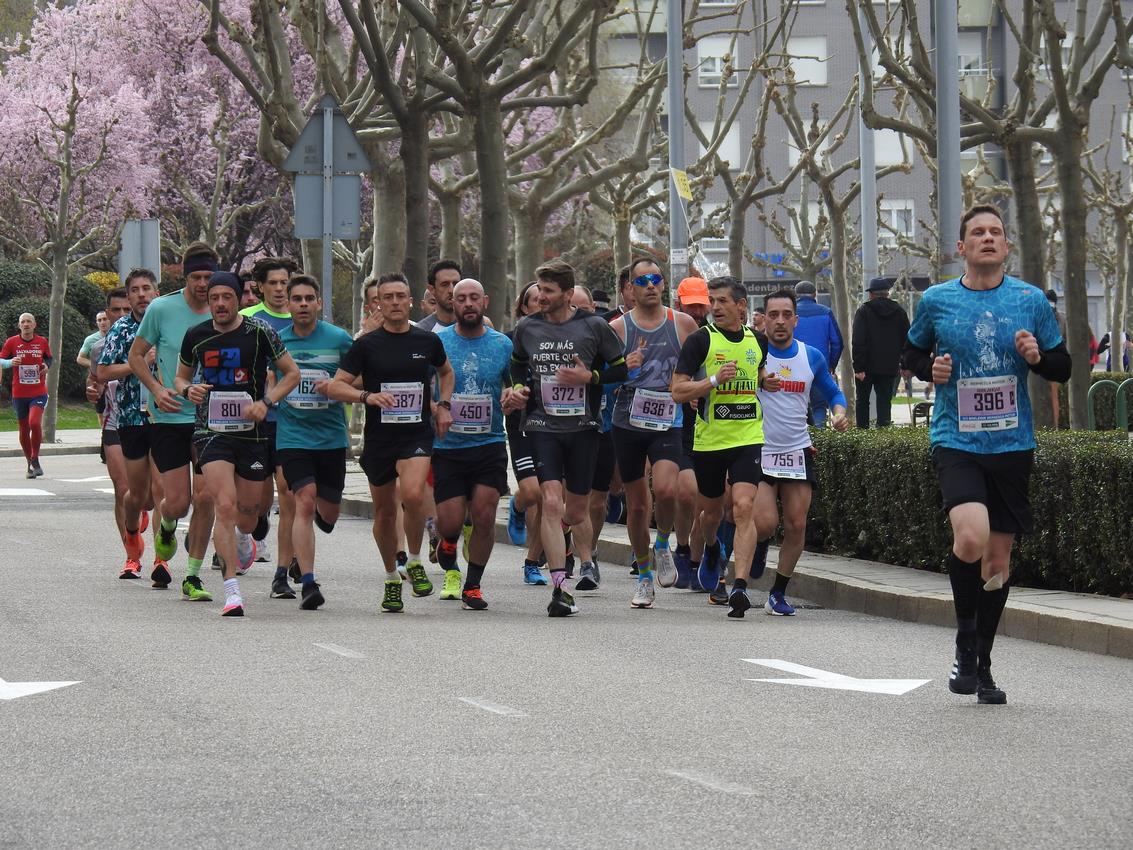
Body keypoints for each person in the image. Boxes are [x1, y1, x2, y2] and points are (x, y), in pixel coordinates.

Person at [902, 204, 1071, 705]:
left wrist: (1037, 358)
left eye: (997, 231)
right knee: (971, 538)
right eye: (978, 232)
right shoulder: (936, 300)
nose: (988, 238)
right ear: (962, 247)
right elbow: (910, 354)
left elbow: (1061, 366)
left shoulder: (1031, 300)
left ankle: (983, 661)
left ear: (1007, 245)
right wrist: (927, 367)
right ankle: (963, 638)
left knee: (997, 562)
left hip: (1013, 444)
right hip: (957, 439)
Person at [326, 275, 454, 613]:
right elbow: (336, 387)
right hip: (380, 438)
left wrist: (443, 406)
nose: (395, 302)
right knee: (383, 513)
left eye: (401, 296)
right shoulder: (367, 345)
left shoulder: (426, 341)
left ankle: (413, 559)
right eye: (388, 297)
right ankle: (391, 578)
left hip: (415, 433)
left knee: (413, 494)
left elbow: (446, 372)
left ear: (410, 301)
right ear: (376, 305)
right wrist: (367, 396)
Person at [175, 272, 300, 617]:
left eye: (226, 297)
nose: (219, 304)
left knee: (248, 513)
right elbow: (180, 376)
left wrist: (267, 401)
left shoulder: (259, 332)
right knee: (224, 506)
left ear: (237, 299)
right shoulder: (196, 336)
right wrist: (188, 390)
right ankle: (232, 590)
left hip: (252, 434)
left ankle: (247, 535)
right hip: (211, 430)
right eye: (213, 297)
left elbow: (292, 373)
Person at [510, 258, 627, 617]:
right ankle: (560, 588)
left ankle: (583, 560)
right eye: (539, 289)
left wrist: (589, 379)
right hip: (543, 427)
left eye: (547, 290)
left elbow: (620, 369)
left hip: (583, 429)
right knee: (549, 501)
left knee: (576, 510)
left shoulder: (593, 326)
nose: (541, 296)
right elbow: (517, 364)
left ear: (565, 293)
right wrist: (517, 388)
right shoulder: (527, 327)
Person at [671, 276, 774, 611]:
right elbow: (678, 390)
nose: (715, 307)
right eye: (712, 300)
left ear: (741, 305)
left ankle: (739, 586)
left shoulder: (758, 341)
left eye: (722, 301)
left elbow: (754, 373)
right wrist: (713, 381)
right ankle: (712, 547)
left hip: (748, 436)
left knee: (744, 507)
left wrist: (764, 382)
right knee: (711, 513)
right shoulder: (701, 341)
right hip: (710, 441)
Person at [129, 242, 222, 603]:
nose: (203, 284)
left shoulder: (226, 312)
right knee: (178, 502)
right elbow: (136, 356)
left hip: (210, 421)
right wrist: (156, 388)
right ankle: (167, 525)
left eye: (208, 277)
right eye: (196, 277)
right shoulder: (161, 308)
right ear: (185, 277)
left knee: (206, 496)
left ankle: (194, 576)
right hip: (168, 416)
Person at [751, 289, 849, 617]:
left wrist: (838, 413)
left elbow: (833, 392)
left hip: (797, 449)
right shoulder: (753, 353)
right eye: (773, 315)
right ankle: (759, 543)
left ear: (795, 319)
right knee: (765, 523)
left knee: (796, 525)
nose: (779, 321)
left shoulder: (811, 356)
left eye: (786, 315)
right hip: (760, 448)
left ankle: (777, 592)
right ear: (763, 319)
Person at [610, 260, 699, 608]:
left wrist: (694, 392)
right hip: (627, 422)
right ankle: (644, 576)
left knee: (666, 489)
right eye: (641, 280)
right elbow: (602, 375)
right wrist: (622, 367)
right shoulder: (618, 328)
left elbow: (698, 366)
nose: (650, 285)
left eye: (656, 279)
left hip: (667, 419)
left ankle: (663, 542)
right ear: (630, 288)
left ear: (664, 284)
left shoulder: (683, 324)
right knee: (636, 506)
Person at [432, 280, 515, 610]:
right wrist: (437, 407)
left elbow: (515, 382)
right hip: (448, 447)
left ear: (485, 301)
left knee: (484, 514)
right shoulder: (437, 342)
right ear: (452, 304)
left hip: (489, 442)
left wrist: (513, 395)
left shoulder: (502, 344)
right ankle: (449, 543)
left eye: (474, 298)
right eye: (461, 299)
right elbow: (424, 386)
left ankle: (473, 585)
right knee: (450, 522)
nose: (468, 304)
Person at [273, 275, 354, 609]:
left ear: (318, 303)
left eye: (309, 298)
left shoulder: (338, 339)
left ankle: (315, 529)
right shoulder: (277, 340)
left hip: (331, 436)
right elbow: (265, 376)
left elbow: (359, 374)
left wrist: (336, 384)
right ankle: (308, 582)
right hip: (293, 436)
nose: (303, 304)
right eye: (297, 299)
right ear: (288, 304)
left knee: (329, 514)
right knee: (303, 501)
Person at [96, 271, 167, 585]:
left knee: (162, 492)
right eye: (135, 290)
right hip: (131, 418)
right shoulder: (122, 329)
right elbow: (103, 371)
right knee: (136, 495)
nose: (141, 295)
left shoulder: (170, 325)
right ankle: (131, 542)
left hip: (165, 418)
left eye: (146, 288)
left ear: (156, 291)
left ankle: (160, 560)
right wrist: (138, 363)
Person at [240, 256, 301, 573]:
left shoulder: (303, 316)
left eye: (284, 283)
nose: (280, 289)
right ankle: (253, 522)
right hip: (257, 418)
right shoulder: (247, 319)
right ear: (260, 287)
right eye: (273, 283)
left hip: (292, 421)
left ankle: (291, 558)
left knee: (288, 489)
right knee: (259, 501)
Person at [505, 282, 547, 585]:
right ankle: (516, 505)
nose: (542, 302)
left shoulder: (563, 338)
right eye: (535, 299)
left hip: (555, 425)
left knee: (548, 497)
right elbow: (501, 382)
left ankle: (532, 562)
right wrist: (509, 395)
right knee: (531, 492)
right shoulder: (510, 341)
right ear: (523, 306)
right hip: (521, 424)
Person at [672, 276, 711, 589]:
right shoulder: (670, 333)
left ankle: (699, 559)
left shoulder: (715, 335)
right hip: (679, 423)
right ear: (678, 304)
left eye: (702, 305)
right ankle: (682, 547)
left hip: (715, 427)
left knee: (705, 500)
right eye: (691, 306)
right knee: (685, 493)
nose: (698, 312)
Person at [852, 277, 910, 428]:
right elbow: (907, 341)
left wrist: (858, 367)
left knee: (862, 401)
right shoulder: (899, 312)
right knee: (884, 401)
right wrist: (905, 365)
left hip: (865, 367)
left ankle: (862, 436)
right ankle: (883, 435)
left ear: (871, 294)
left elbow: (858, 341)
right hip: (889, 366)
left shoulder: (863, 311)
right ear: (887, 294)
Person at [1, 312, 52, 478]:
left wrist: (46, 366)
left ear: (34, 324)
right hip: (19, 393)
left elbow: (49, 359)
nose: (26, 324)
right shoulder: (12, 342)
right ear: (19, 325)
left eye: (29, 321)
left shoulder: (42, 341)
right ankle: (30, 464)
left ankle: (35, 457)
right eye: (23, 322)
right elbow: (1, 360)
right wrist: (10, 362)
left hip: (38, 391)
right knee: (24, 427)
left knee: (34, 422)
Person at [793, 280, 844, 427]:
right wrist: (831, 365)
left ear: (796, 295)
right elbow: (837, 342)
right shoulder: (826, 312)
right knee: (819, 406)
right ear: (815, 294)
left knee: (794, 406)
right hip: (819, 367)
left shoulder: (790, 314)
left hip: (793, 367)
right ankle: (820, 440)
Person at [417, 259, 462, 331]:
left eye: (455, 284)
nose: (451, 290)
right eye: (445, 285)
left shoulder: (476, 327)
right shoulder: (421, 331)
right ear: (432, 289)